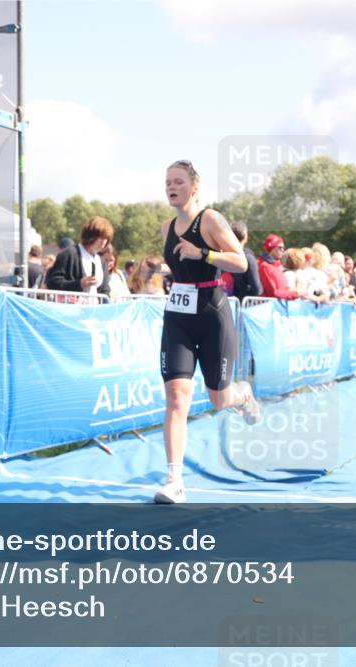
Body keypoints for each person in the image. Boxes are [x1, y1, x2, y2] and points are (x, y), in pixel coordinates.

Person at [155, 160, 261, 504]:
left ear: (194, 187)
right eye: (168, 182)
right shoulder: (167, 227)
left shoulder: (210, 219)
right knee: (176, 399)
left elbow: (241, 262)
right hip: (178, 314)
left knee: (218, 398)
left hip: (212, 311)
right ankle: (174, 479)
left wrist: (202, 252)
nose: (172, 187)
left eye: (179, 181)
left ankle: (242, 395)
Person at [45, 216, 113, 296]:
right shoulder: (69, 254)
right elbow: (52, 282)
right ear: (90, 235)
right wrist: (79, 284)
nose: (104, 241)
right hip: (71, 306)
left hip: (94, 307)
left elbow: (105, 290)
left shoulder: (102, 262)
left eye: (107, 238)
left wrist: (101, 301)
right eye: (101, 237)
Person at [256, 233, 299, 299]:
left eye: (283, 248)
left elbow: (283, 288)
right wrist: (295, 294)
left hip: (278, 307)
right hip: (268, 306)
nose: (283, 250)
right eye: (280, 248)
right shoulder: (264, 266)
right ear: (271, 248)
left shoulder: (277, 266)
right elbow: (273, 292)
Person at [226, 221, 261, 299]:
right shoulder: (248, 258)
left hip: (225, 302)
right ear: (246, 236)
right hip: (244, 305)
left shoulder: (223, 255)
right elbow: (257, 289)